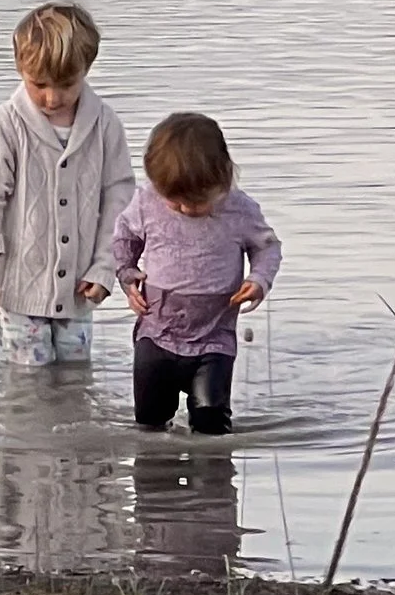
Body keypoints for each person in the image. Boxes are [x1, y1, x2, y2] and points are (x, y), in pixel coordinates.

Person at [0, 1, 135, 373]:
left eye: (65, 85)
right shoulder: (6, 125)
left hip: (79, 288)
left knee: (75, 380)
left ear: (86, 70)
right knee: (29, 381)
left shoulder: (105, 125)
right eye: (38, 84)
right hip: (20, 289)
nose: (51, 98)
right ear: (20, 70)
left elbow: (120, 201)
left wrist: (105, 268)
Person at [111, 112, 281, 437]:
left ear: (224, 177)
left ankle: (212, 483)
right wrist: (127, 273)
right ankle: (155, 482)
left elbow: (267, 247)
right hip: (156, 333)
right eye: (174, 201)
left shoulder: (240, 209)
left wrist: (258, 280)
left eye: (197, 202)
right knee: (149, 423)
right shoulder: (147, 201)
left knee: (211, 421)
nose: (186, 209)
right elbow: (124, 238)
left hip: (214, 337)